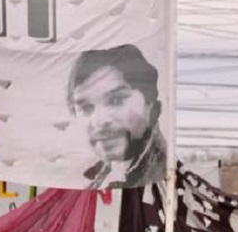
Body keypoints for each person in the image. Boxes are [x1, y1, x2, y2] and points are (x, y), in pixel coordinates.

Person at [69, 44, 167, 189]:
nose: (100, 121)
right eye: (86, 108)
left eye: (116, 100)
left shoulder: (167, 181)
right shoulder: (92, 180)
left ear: (150, 104)